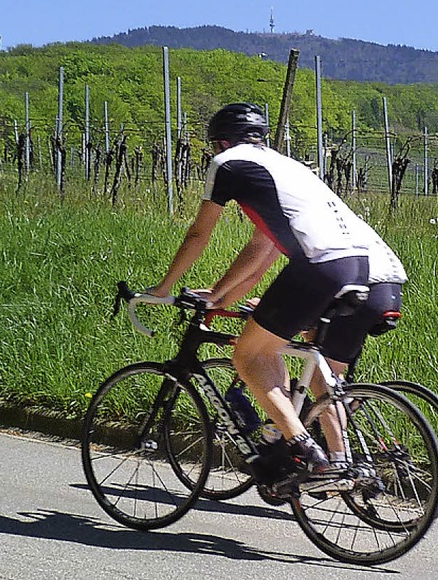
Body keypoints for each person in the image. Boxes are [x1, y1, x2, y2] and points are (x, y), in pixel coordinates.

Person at [147, 102, 403, 488]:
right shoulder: (288, 167)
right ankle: (340, 461)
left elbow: (199, 234)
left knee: (248, 354)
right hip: (365, 268)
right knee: (314, 369)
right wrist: (221, 295)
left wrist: (163, 289)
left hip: (321, 265)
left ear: (219, 141)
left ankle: (303, 447)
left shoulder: (227, 163)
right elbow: (263, 251)